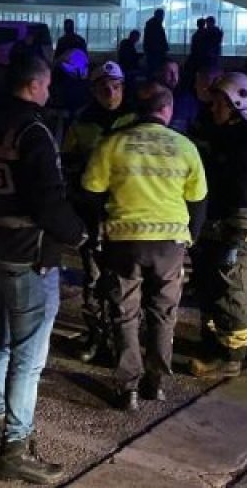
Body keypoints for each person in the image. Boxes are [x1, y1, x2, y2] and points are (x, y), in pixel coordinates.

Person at [0, 54, 84, 484]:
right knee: (28, 358)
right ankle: (15, 449)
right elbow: (49, 203)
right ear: (35, 85)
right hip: (31, 259)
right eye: (47, 85)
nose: (50, 92)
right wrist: (80, 235)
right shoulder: (34, 132)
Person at [82, 81, 207, 410]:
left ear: (139, 111)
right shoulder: (185, 147)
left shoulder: (113, 143)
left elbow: (91, 192)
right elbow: (198, 201)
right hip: (170, 243)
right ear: (167, 111)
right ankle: (157, 382)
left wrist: (99, 229)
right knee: (164, 314)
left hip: (124, 241)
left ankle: (129, 389)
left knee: (124, 313)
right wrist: (190, 236)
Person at [189, 73, 247, 378]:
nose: (214, 109)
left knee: (231, 292)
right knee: (212, 289)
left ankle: (231, 356)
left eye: (219, 104)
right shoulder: (230, 132)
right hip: (218, 228)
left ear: (237, 105)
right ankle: (214, 343)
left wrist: (235, 241)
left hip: (237, 232)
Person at [62, 61, 134, 364]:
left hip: (127, 214)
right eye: (104, 86)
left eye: (115, 86)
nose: (110, 92)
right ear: (93, 90)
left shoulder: (136, 120)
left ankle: (124, 340)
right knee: (92, 279)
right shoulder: (81, 121)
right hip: (93, 213)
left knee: (126, 283)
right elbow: (67, 163)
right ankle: (95, 335)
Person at [143, 9, 169, 74]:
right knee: (155, 70)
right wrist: (163, 48)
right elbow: (156, 39)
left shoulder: (152, 24)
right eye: (162, 15)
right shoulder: (155, 25)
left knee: (153, 69)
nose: (163, 17)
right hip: (156, 51)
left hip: (154, 51)